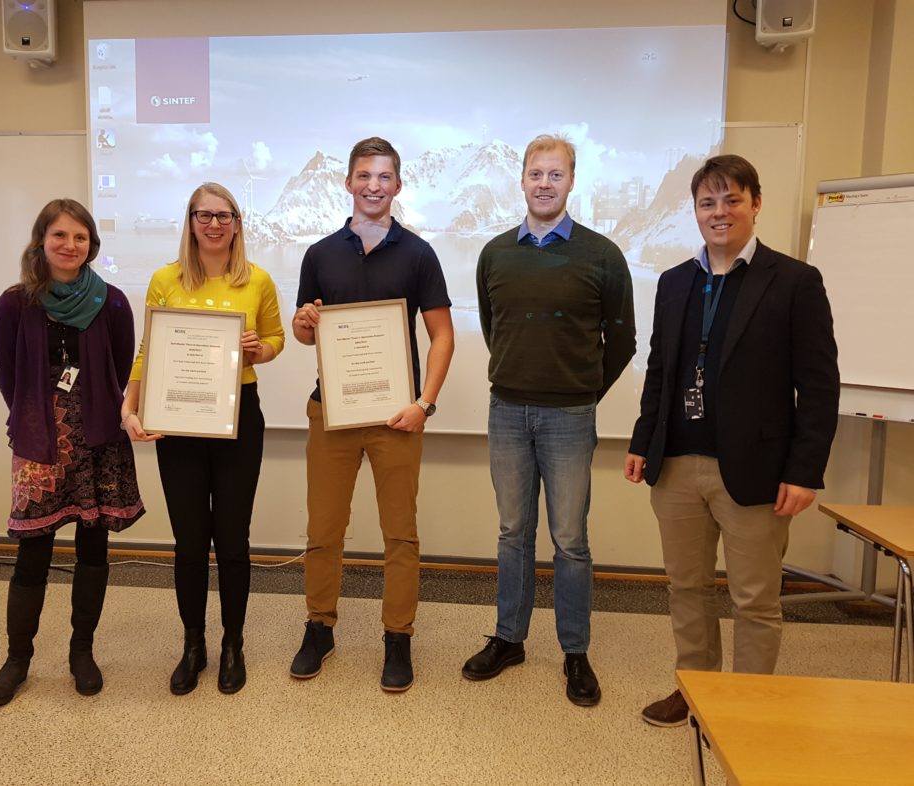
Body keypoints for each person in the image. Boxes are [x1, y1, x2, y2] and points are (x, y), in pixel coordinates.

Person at [624, 154, 840, 727]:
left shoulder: (794, 282)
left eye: (732, 200)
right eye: (707, 203)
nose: (719, 213)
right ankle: (694, 690)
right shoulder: (674, 283)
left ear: (755, 204)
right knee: (687, 589)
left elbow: (818, 385)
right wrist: (643, 440)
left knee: (754, 600)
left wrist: (805, 470)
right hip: (676, 467)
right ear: (695, 211)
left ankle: (748, 708)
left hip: (757, 471)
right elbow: (661, 371)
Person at [462, 134, 635, 707]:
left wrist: (581, 389)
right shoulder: (494, 253)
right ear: (521, 180)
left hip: (569, 418)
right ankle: (509, 639)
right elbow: (496, 329)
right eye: (535, 173)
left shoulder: (602, 255)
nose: (544, 183)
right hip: (506, 411)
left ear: (571, 181)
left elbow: (624, 341)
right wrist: (527, 374)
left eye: (555, 174)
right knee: (513, 534)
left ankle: (575, 653)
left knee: (570, 541)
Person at [290, 136, 454, 692]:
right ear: (348, 183)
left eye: (384, 177)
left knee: (400, 535)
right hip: (330, 412)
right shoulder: (320, 253)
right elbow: (301, 329)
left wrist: (424, 404)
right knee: (324, 529)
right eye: (364, 175)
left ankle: (398, 637)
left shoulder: (418, 254)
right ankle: (320, 628)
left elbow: (442, 336)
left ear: (398, 186)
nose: (373, 186)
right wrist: (306, 325)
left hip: (395, 417)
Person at [122, 183, 284, 696]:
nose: (214, 224)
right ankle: (194, 644)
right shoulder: (164, 280)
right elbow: (149, 350)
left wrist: (259, 350)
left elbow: (277, 340)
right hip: (179, 423)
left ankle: (234, 643)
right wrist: (130, 405)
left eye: (225, 215)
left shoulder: (257, 280)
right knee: (189, 543)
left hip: (239, 420)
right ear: (190, 221)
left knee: (233, 541)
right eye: (204, 215)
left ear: (237, 222)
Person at [0, 199, 145, 706]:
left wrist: (87, 413)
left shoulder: (114, 302)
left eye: (80, 237)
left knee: (93, 548)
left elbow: (120, 370)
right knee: (33, 551)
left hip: (99, 438)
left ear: (92, 245)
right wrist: (42, 421)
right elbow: (8, 377)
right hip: (41, 443)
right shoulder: (15, 303)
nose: (70, 246)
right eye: (59, 236)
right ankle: (17, 659)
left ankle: (82, 651)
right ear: (41, 241)